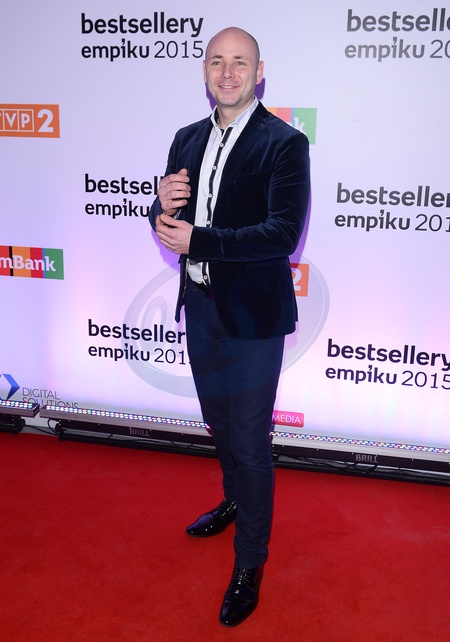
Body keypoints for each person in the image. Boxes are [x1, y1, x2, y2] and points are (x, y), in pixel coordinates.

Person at [150, 26, 310, 627]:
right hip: (201, 308)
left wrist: (201, 240)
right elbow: (170, 222)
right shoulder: (186, 138)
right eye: (217, 61)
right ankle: (234, 501)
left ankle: (250, 564)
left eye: (239, 62)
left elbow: (282, 233)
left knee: (249, 439)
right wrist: (160, 207)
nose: (227, 72)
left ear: (258, 72)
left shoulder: (284, 143)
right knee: (219, 424)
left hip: (254, 317)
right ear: (204, 70)